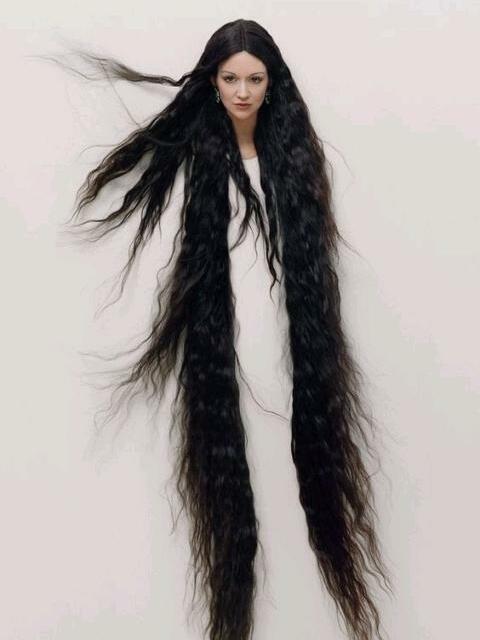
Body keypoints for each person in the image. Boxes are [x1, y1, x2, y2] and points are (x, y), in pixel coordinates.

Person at [57, 18, 393, 640]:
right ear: (213, 82)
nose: (242, 91)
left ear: (273, 83)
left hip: (293, 362)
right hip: (220, 362)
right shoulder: (198, 159)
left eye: (254, 79)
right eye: (230, 78)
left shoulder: (297, 162)